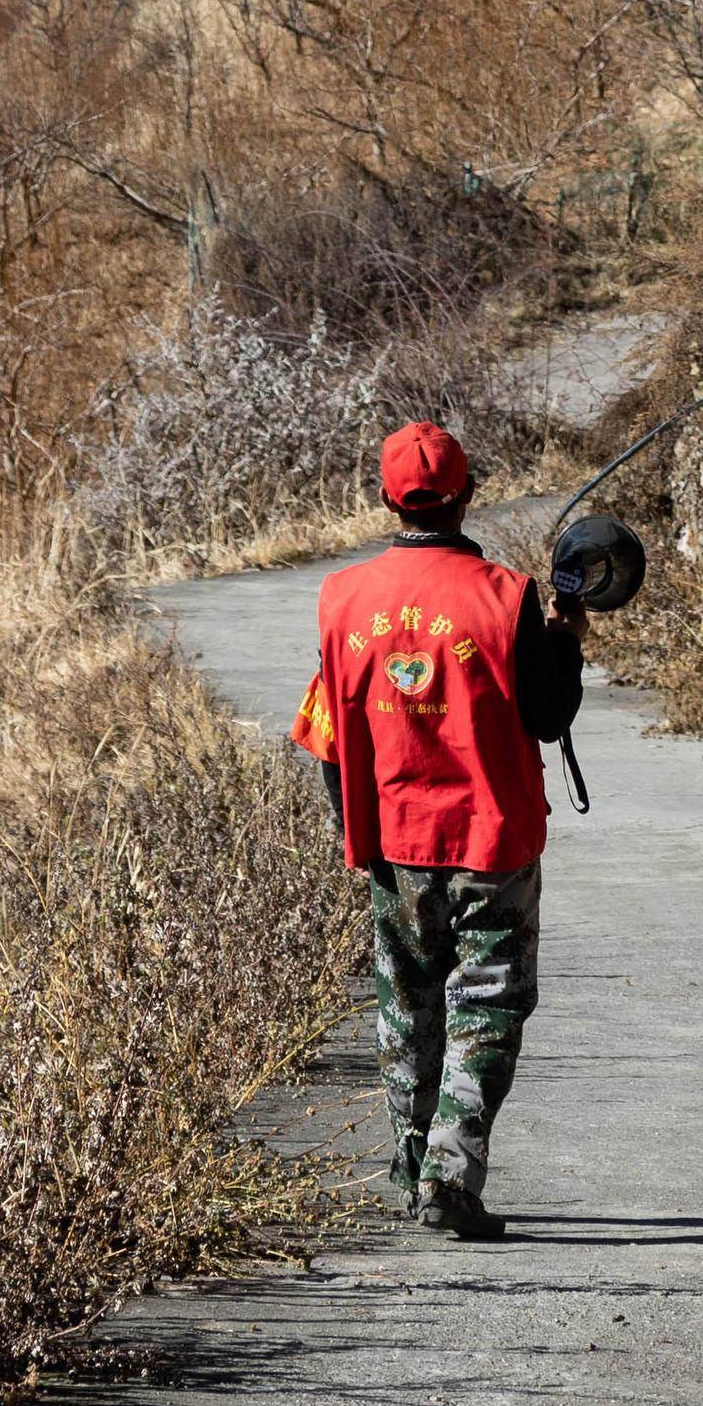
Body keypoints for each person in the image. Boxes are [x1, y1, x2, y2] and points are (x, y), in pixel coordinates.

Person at [294, 418, 586, 1240]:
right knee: (487, 1000)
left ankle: (411, 1160)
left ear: (388, 497)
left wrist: (356, 829)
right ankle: (450, 1175)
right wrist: (565, 643)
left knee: (407, 1001)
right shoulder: (507, 597)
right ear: (467, 495)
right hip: (491, 838)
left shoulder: (341, 599)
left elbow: (324, 730)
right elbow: (550, 712)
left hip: (392, 837)